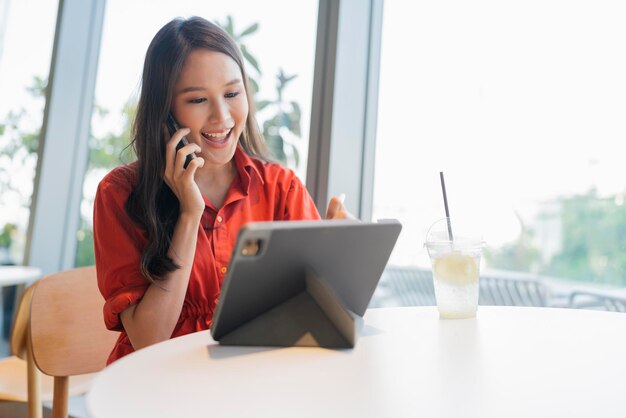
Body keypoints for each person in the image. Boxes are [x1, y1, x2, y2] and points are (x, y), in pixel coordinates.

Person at [93, 16, 351, 364]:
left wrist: (342, 259)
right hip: (158, 387)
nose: (222, 116)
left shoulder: (280, 187)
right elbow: (149, 340)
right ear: (165, 112)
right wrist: (189, 214)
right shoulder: (119, 194)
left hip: (249, 382)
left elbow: (316, 315)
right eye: (198, 100)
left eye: (232, 93)